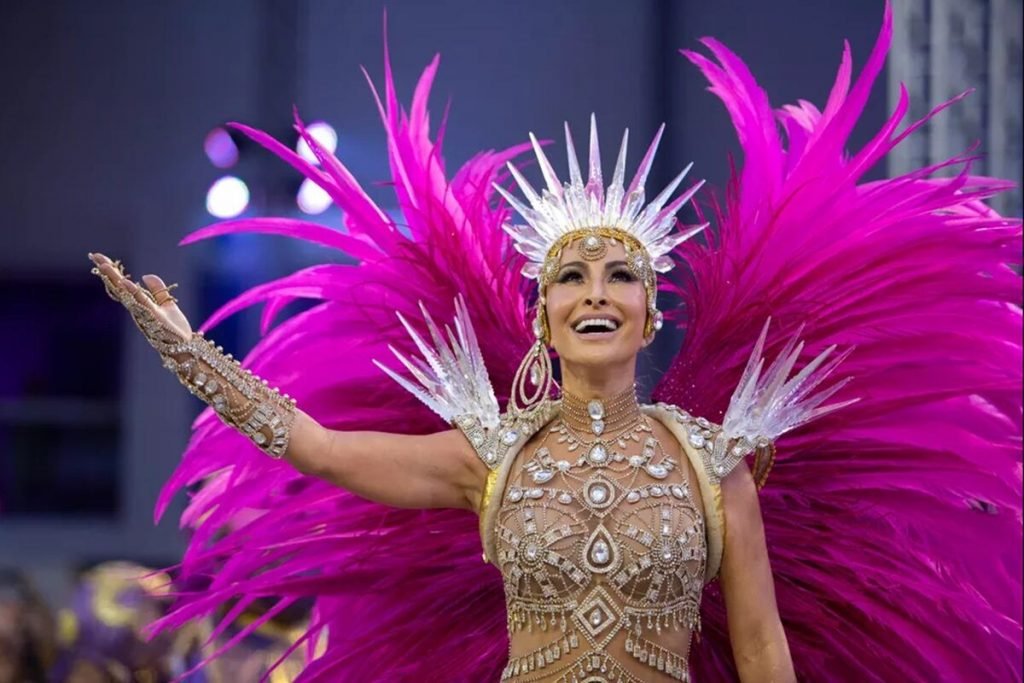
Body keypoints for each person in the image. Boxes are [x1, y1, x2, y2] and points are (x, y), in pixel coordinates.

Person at [87, 3, 1021, 681]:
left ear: (653, 315)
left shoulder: (714, 462)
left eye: (621, 277)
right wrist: (192, 354)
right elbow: (321, 448)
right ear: (543, 317)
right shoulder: (491, 455)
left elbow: (761, 646)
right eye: (571, 278)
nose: (596, 294)